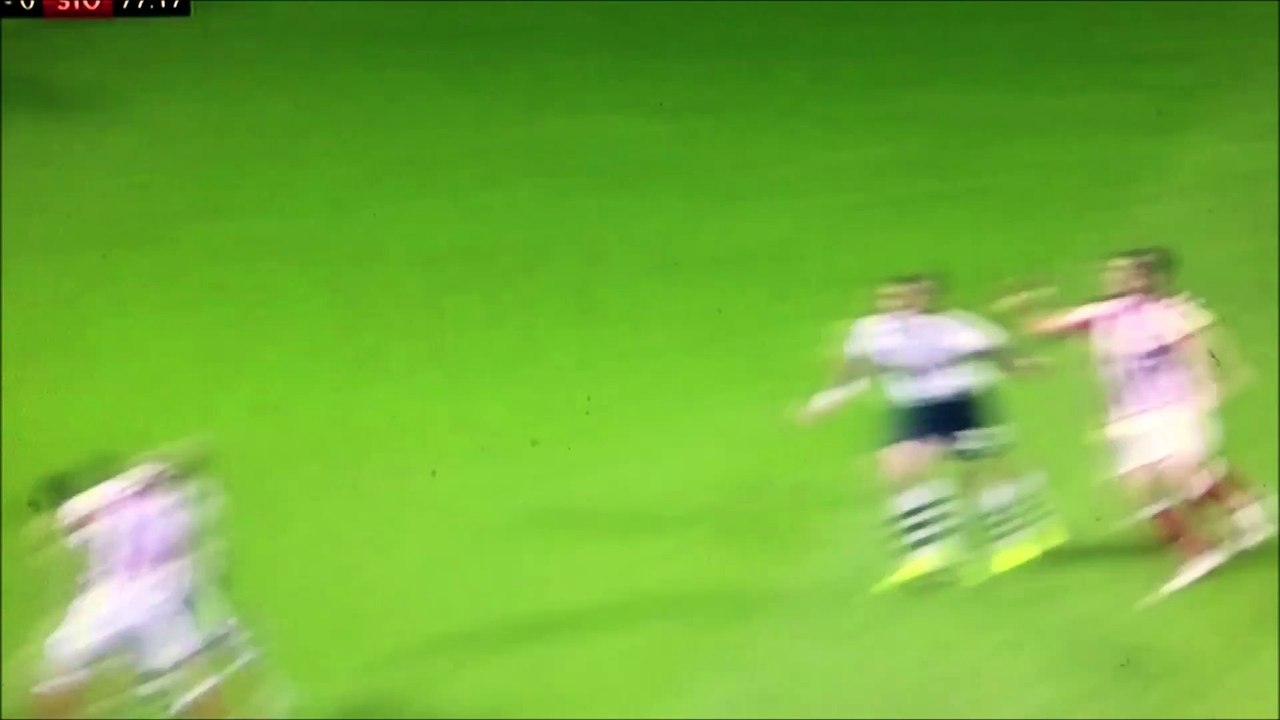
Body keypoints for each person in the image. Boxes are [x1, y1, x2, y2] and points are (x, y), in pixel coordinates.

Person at [798, 275, 1061, 591]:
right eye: (892, 297)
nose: (901, 304)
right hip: (913, 408)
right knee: (898, 471)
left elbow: (996, 352)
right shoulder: (869, 330)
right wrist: (826, 401)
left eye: (911, 296)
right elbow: (854, 368)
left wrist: (1020, 366)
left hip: (961, 401)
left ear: (930, 298)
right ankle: (928, 552)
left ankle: (1015, 541)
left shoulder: (957, 325)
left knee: (981, 473)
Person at [1007, 253, 1238, 600]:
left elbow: (1197, 348)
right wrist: (1024, 306)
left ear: (1145, 278)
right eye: (1112, 273)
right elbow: (1047, 327)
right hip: (1130, 418)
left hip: (1172, 408)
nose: (1112, 279)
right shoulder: (1106, 313)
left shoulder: (1169, 313)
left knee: (1181, 478)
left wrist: (1208, 385)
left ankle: (1236, 513)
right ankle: (1199, 550)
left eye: (1121, 273)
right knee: (1140, 488)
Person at [28, 462, 226, 719]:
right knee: (192, 678)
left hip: (109, 602)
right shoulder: (160, 494)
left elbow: (64, 555)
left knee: (59, 670)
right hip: (162, 601)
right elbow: (185, 553)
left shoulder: (77, 507)